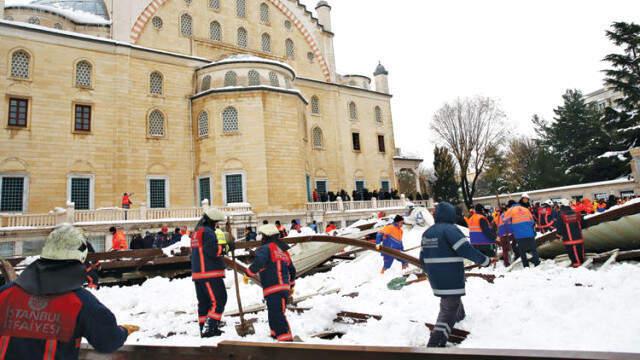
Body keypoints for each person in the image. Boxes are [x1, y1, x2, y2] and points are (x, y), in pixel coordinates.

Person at [0, 225, 138, 359]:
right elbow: (108, 341)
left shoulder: (5, 294)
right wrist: (123, 332)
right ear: (81, 258)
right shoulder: (81, 303)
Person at [420, 202, 492, 347]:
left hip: (435, 277)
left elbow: (422, 258)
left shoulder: (427, 232)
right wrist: (484, 261)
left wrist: (431, 272)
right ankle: (435, 343)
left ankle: (461, 316)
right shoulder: (451, 230)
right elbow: (465, 249)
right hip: (450, 275)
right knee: (448, 309)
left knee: (450, 300)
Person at [245, 224, 296, 342]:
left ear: (265, 236)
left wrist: (248, 273)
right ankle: (275, 336)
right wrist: (291, 285)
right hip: (283, 288)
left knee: (277, 314)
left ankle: (286, 341)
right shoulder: (282, 250)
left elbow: (259, 263)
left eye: (262, 236)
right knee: (275, 312)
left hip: (273, 287)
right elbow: (292, 270)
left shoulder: (265, 248)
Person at [190, 208, 230, 337]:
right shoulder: (207, 233)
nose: (217, 225)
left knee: (205, 303)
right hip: (209, 273)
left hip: (198, 273)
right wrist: (225, 247)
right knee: (219, 300)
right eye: (216, 222)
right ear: (212, 221)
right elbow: (212, 251)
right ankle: (210, 327)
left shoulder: (197, 232)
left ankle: (205, 327)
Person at [504, 198, 539, 268]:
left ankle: (526, 266)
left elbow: (506, 222)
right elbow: (532, 221)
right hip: (530, 233)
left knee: (522, 251)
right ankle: (537, 263)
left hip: (519, 235)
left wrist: (512, 229)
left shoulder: (510, 210)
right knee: (533, 249)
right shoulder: (525, 209)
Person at [555, 200, 585, 267]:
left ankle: (577, 266)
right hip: (579, 238)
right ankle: (581, 263)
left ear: (561, 206)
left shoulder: (561, 215)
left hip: (568, 239)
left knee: (572, 253)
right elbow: (583, 224)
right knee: (580, 252)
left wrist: (558, 236)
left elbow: (559, 227)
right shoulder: (577, 213)